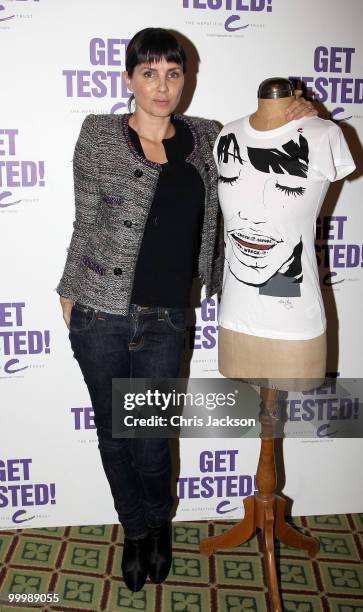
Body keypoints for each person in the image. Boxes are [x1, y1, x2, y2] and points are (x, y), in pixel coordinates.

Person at [57, 28, 316, 592]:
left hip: (167, 317)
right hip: (98, 311)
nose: (162, 86)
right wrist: (68, 288)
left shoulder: (209, 138)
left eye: (173, 73)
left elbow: (266, 134)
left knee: (151, 439)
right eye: (149, 73)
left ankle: (159, 529)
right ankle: (135, 532)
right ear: (128, 79)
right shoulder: (98, 134)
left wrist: (299, 108)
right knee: (113, 435)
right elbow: (84, 218)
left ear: (185, 79)